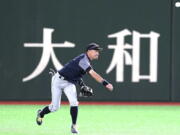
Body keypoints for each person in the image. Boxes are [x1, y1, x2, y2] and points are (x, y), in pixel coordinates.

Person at [36, 43, 113, 134]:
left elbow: (77, 74)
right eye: (95, 51)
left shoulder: (86, 61)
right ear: (88, 51)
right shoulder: (83, 60)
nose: (97, 53)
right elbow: (93, 74)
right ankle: (41, 113)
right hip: (58, 81)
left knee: (74, 103)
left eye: (98, 51)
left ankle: (74, 126)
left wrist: (82, 85)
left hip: (69, 83)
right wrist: (105, 83)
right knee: (55, 107)